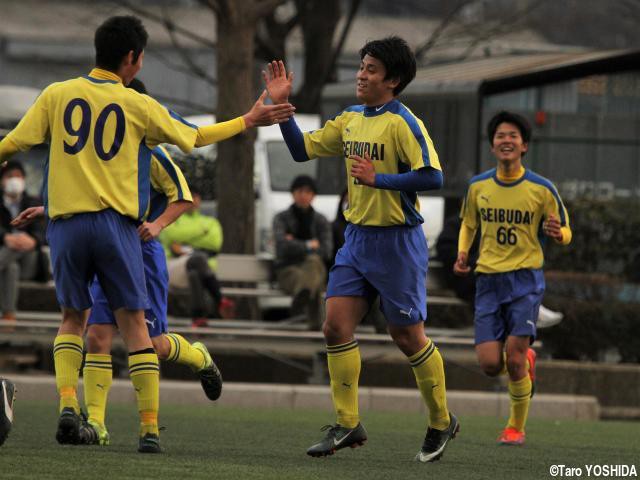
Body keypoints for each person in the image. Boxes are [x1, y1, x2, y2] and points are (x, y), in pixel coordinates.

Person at [0, 15, 294, 453]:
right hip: (117, 228)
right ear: (133, 59)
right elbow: (194, 137)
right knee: (134, 328)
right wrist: (248, 119)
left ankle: (67, 403)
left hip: (65, 227)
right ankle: (150, 431)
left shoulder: (57, 95)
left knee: (72, 320)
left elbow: (12, 145)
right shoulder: (138, 106)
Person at [264, 36, 458, 463]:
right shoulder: (350, 118)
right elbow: (302, 150)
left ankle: (442, 420)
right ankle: (348, 422)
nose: (361, 74)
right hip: (356, 241)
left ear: (392, 80)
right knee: (334, 326)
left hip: (397, 243)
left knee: (406, 336)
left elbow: (433, 177)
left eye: (370, 69)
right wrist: (282, 110)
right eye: (361, 66)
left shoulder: (405, 123)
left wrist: (379, 180)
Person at [13, 78, 224, 447]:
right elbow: (97, 194)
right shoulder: (108, 148)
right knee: (96, 334)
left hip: (140, 253)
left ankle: (197, 357)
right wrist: (50, 208)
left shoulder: (153, 153)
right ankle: (95, 424)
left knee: (151, 343)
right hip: (107, 244)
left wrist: (156, 225)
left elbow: (184, 197)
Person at [454, 110, 572, 446]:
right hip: (488, 281)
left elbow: (565, 229)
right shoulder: (478, 186)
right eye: (500, 136)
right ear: (492, 145)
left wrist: (558, 233)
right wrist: (464, 252)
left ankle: (515, 428)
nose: (506, 140)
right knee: (491, 364)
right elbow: (469, 224)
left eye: (513, 136)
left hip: (525, 281)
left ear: (524, 146)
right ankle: (524, 362)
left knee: (514, 357)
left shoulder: (542, 189)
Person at [436, 213, 564, 328]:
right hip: (466, 278)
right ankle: (531, 311)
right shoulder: (457, 224)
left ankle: (530, 310)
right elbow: (446, 251)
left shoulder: (492, 224)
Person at [160, 187, 233, 327]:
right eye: (190, 196)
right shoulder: (171, 219)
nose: (193, 200)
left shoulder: (211, 222)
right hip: (174, 268)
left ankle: (198, 318)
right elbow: (171, 235)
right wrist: (201, 233)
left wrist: (185, 242)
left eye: (196, 197)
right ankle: (220, 300)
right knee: (198, 259)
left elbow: (215, 243)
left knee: (195, 270)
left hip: (199, 272)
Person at [273, 175, 332, 330]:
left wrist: (293, 243)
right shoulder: (281, 218)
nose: (303, 195)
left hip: (313, 267)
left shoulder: (321, 220)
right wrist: (309, 244)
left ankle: (302, 300)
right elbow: (282, 247)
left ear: (313, 195)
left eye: (307, 191)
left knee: (313, 263)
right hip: (288, 270)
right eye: (299, 191)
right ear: (293, 193)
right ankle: (319, 332)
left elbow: (326, 250)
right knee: (314, 282)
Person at [0, 161, 47, 323]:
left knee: (18, 245)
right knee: (11, 267)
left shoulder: (34, 203)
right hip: (7, 262)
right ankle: (9, 316)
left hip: (30, 262)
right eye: (10, 176)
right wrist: (6, 238)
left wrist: (33, 240)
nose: (15, 180)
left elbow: (43, 231)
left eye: (18, 176)